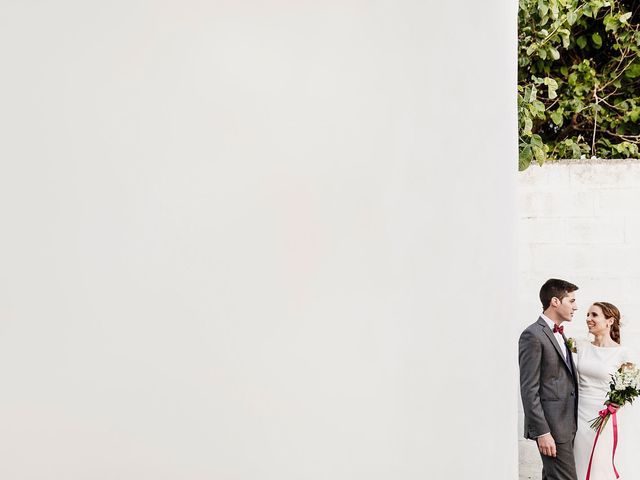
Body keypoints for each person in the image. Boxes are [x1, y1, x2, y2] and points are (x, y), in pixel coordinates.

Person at [519, 278, 579, 480]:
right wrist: (542, 432)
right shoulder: (533, 335)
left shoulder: (560, 335)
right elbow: (529, 389)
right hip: (552, 429)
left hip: (567, 425)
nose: (575, 307)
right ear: (555, 301)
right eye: (571, 301)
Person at [572, 302, 640, 480]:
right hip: (578, 415)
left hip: (605, 417)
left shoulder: (623, 353)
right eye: (587, 314)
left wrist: (617, 402)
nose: (588, 319)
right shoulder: (580, 346)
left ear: (610, 321)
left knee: (600, 465)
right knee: (580, 460)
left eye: (594, 315)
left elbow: (629, 384)